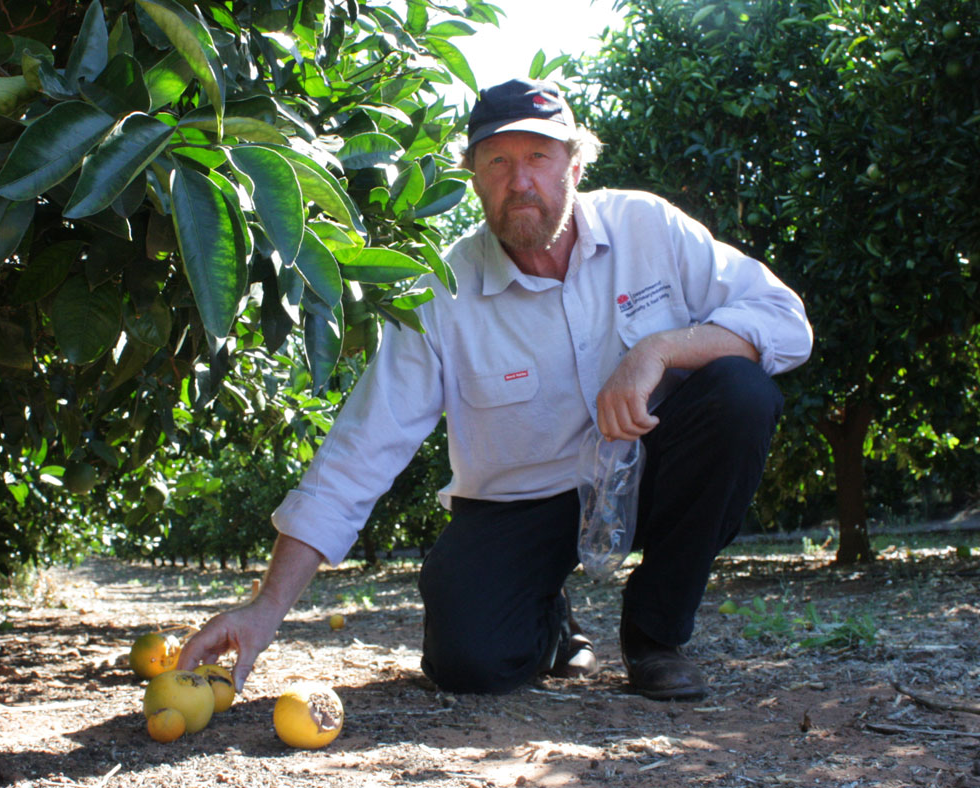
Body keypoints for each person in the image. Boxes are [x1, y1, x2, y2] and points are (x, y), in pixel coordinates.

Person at [179, 78, 813, 701]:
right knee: (468, 663)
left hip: (648, 471)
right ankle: (549, 625)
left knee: (740, 393)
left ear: (575, 163)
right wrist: (265, 609)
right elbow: (361, 449)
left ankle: (655, 636)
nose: (521, 181)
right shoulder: (442, 293)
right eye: (498, 161)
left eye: (539, 156)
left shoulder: (647, 227)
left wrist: (662, 348)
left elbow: (785, 322)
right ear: (473, 175)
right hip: (521, 503)